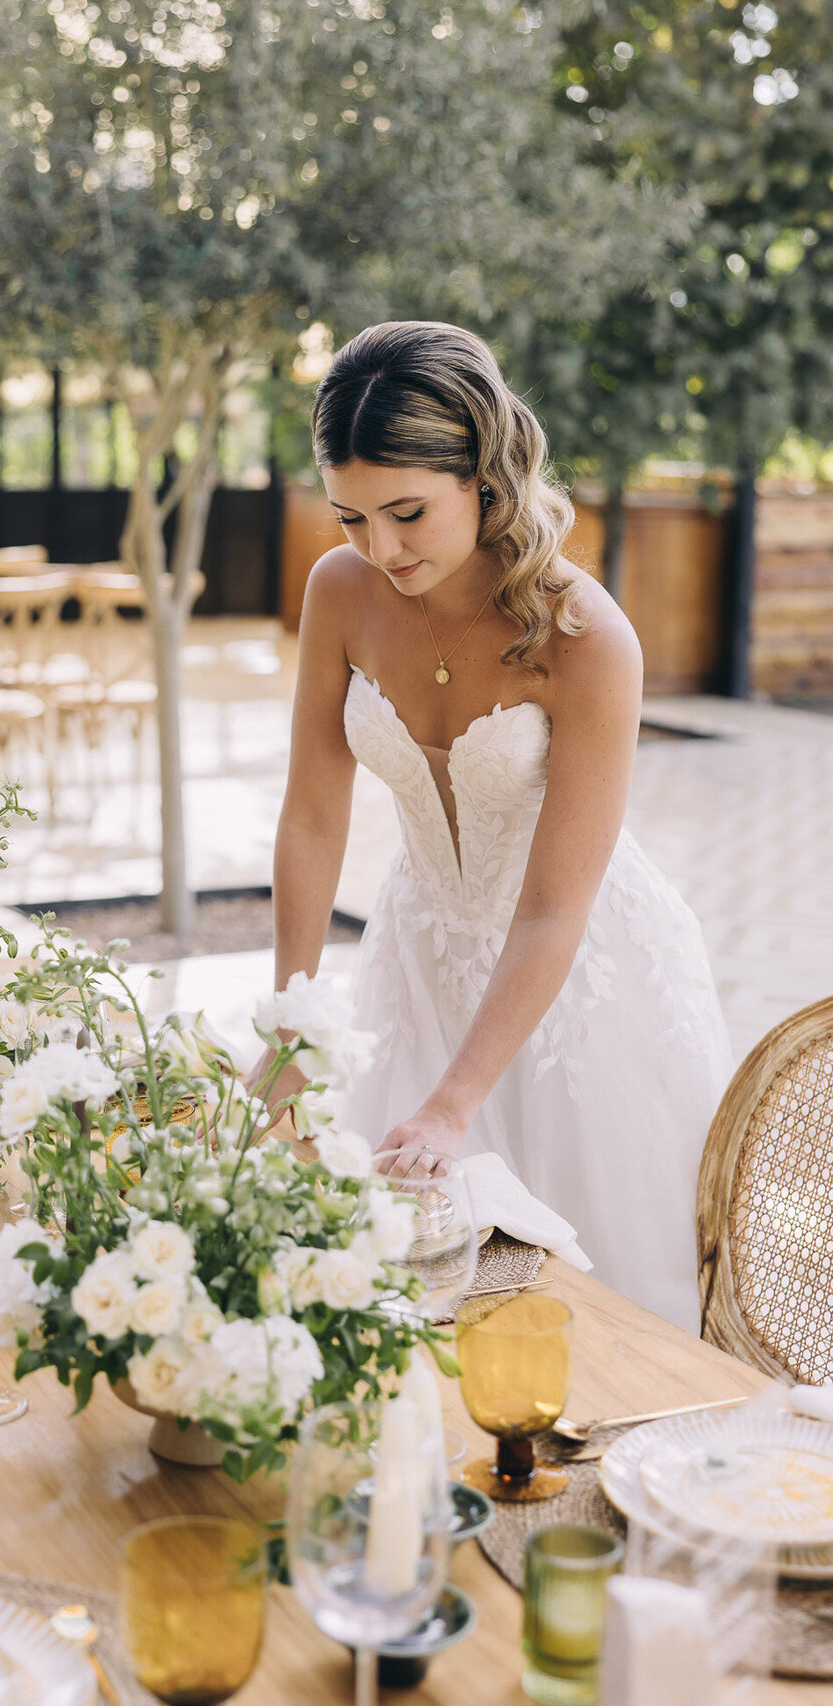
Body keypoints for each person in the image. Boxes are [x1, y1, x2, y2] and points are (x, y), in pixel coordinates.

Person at [258, 320, 732, 1332]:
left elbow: (557, 907)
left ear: (483, 474)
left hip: (578, 986)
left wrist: (452, 1100)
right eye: (349, 516)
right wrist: (293, 1018)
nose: (379, 549)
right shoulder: (340, 593)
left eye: (406, 513)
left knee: (586, 1315)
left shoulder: (586, 637)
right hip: (416, 961)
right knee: (404, 1294)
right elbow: (310, 817)